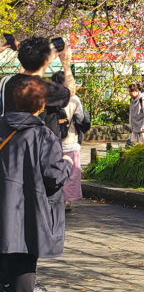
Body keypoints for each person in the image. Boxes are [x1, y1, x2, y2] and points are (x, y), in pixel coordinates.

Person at [0, 37, 73, 292]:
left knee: (7, 222)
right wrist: (65, 63)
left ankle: (5, 283)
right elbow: (70, 93)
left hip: (6, 153)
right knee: (29, 227)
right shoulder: (43, 89)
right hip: (34, 155)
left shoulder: (6, 83)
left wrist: (11, 49)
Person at [52, 72, 84, 212]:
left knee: (54, 171)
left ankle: (55, 198)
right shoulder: (74, 99)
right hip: (71, 140)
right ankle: (67, 201)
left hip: (53, 142)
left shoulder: (50, 99)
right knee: (72, 173)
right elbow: (82, 119)